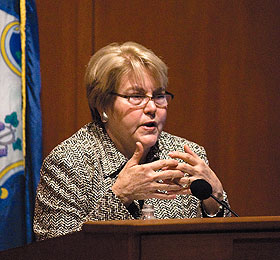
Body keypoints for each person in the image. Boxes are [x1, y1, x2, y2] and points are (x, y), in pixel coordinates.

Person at [33, 42, 231, 241]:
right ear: (103, 105)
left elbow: (220, 244)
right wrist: (119, 196)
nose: (152, 107)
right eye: (136, 96)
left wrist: (215, 201)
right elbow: (55, 250)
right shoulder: (69, 162)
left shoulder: (186, 156)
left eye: (159, 95)